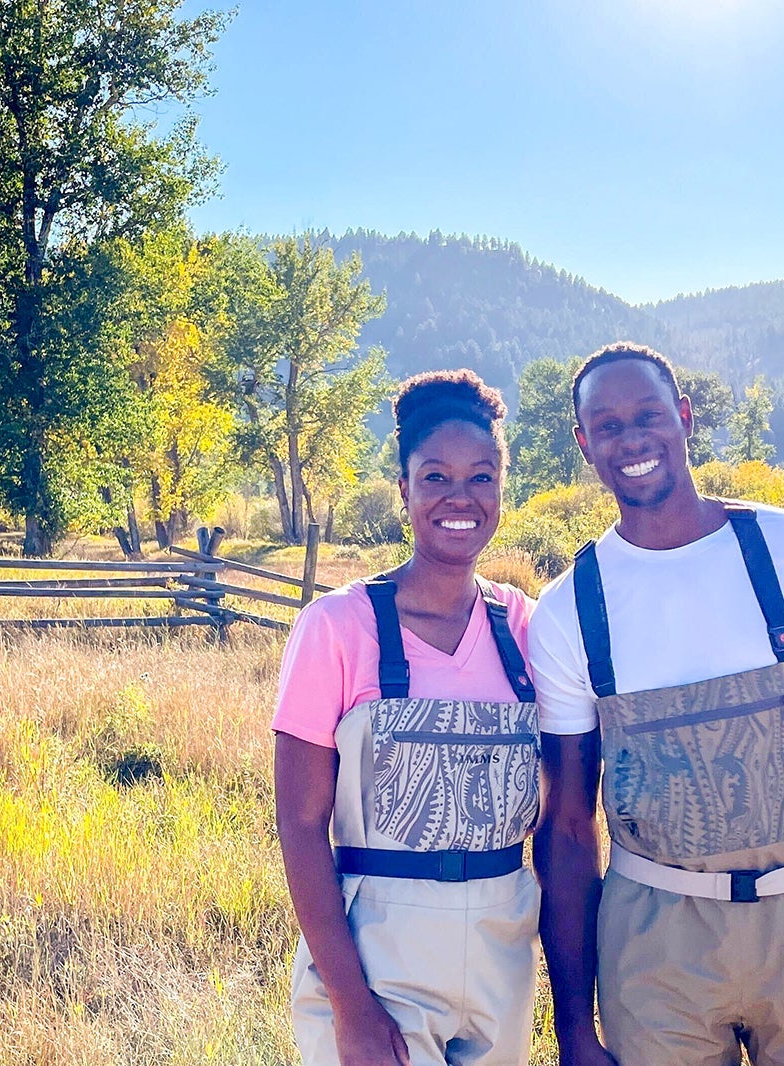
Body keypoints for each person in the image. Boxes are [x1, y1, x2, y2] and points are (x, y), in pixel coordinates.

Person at [530, 343, 784, 1066]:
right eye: (607, 424)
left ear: (684, 418)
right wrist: (573, 1027)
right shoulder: (568, 611)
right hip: (655, 942)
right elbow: (567, 827)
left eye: (649, 415)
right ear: (583, 444)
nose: (632, 438)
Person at [273, 370, 541, 1066]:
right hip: (376, 959)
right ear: (404, 489)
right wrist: (352, 1007)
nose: (461, 498)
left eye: (482, 477)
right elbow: (300, 827)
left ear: (503, 488)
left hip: (502, 955)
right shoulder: (335, 626)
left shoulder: (525, 627)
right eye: (436, 478)